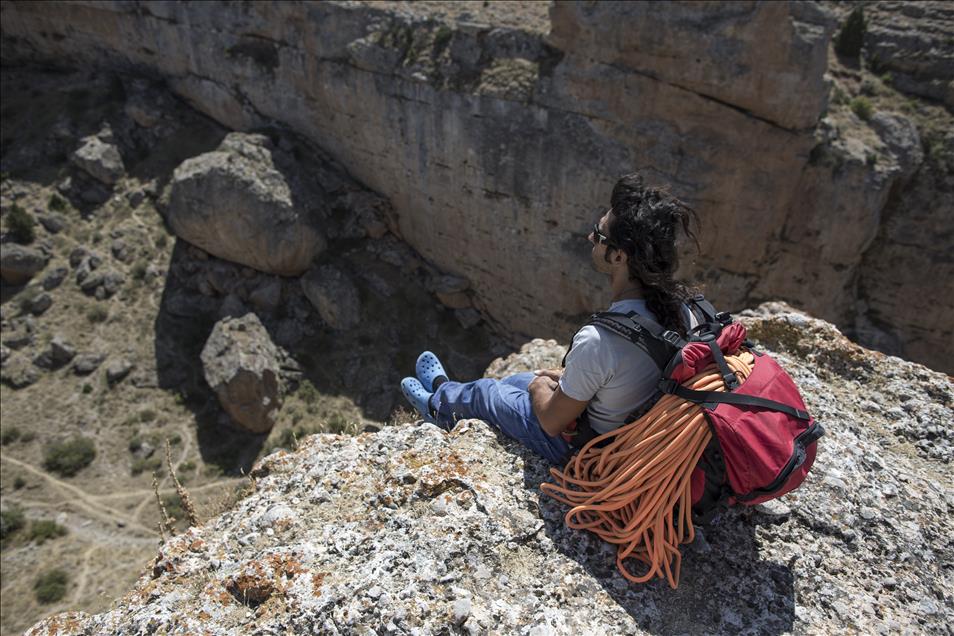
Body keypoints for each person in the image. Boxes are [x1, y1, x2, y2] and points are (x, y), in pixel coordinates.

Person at [400, 173, 699, 464]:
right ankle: (445, 389)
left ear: (619, 256)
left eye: (599, 232)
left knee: (488, 392)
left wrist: (538, 389)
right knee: (518, 379)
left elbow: (552, 422)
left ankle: (436, 405)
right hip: (633, 425)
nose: (590, 236)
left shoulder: (600, 342)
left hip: (587, 449)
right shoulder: (686, 310)